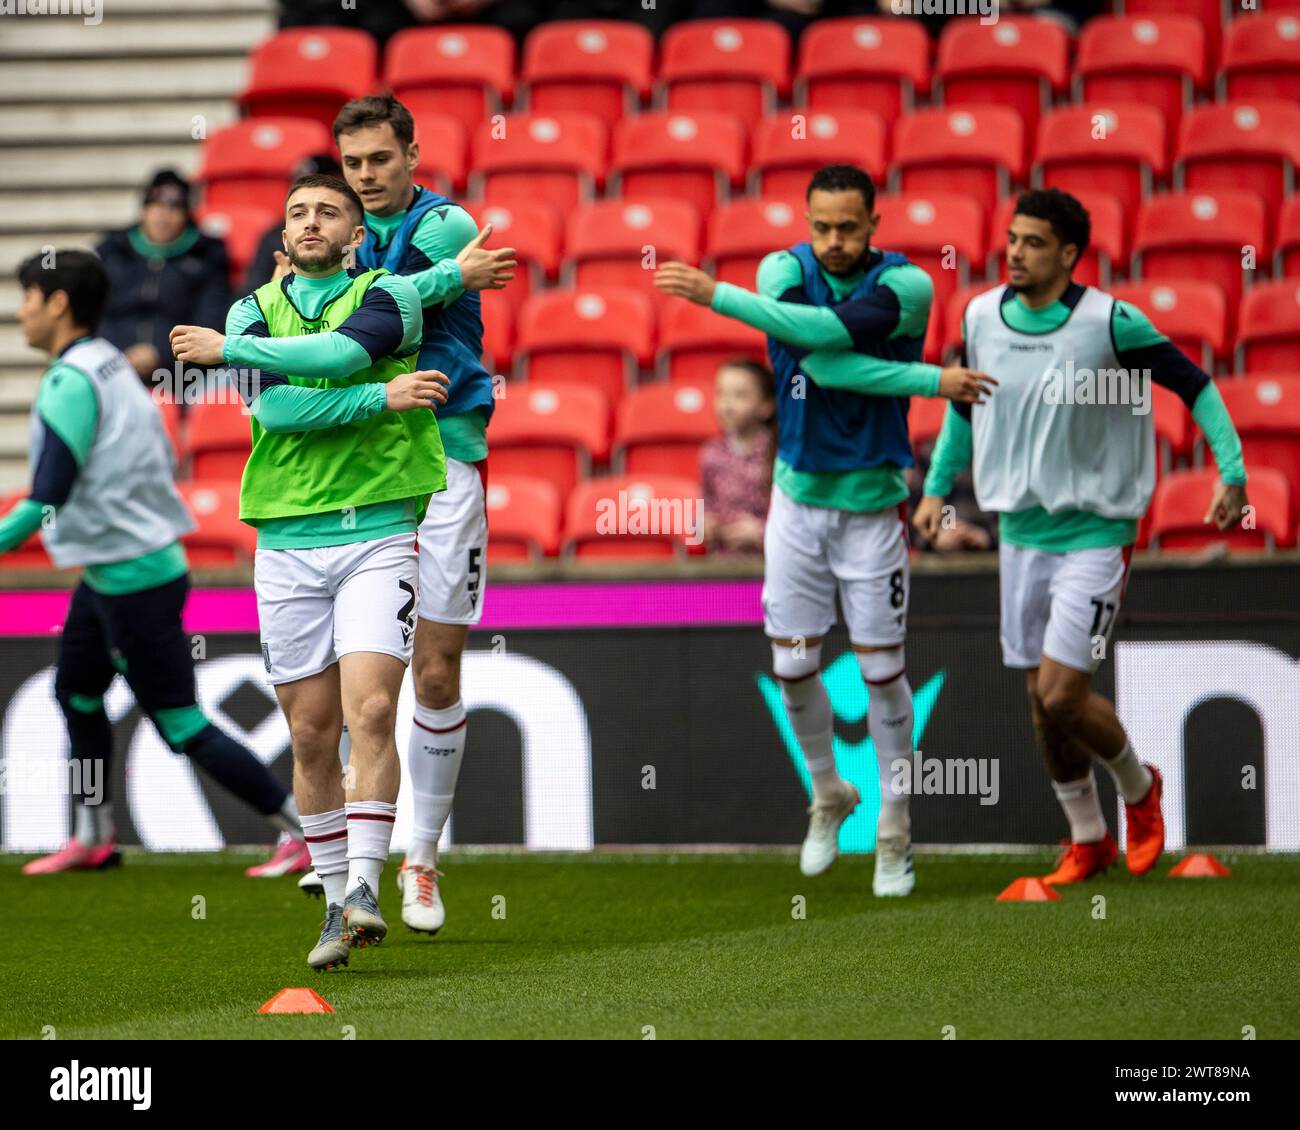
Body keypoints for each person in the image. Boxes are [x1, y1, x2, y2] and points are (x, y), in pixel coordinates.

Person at [655, 164, 994, 896]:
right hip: (797, 507)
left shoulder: (907, 287)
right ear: (807, 224)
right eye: (822, 227)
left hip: (873, 509)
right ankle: (828, 793)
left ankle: (895, 830)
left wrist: (719, 297)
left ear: (874, 224)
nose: (834, 241)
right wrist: (933, 380)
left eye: (848, 227)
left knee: (881, 671)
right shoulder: (783, 268)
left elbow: (830, 350)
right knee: (794, 667)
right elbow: (812, 351)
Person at [914, 188, 1251, 884]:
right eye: (1011, 238)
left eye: (1033, 242)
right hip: (1020, 533)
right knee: (1041, 703)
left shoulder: (1110, 323)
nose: (1015, 251)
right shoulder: (980, 315)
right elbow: (964, 405)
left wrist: (1233, 472)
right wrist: (937, 488)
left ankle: (1139, 787)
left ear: (1069, 254)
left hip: (1096, 531)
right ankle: (1087, 838)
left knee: (1064, 694)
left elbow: (1195, 386)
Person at [170, 173, 451, 970]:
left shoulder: (390, 294)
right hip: (287, 540)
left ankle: (366, 885)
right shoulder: (252, 307)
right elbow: (278, 409)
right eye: (297, 212)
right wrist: (375, 400)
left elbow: (340, 353)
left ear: (356, 233)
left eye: (329, 210)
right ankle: (333, 903)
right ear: (282, 235)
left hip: (379, 529)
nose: (312, 220)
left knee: (370, 709)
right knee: (309, 733)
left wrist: (234, 354)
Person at [3, 250, 308, 878]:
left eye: (28, 296)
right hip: (117, 568)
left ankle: (302, 830)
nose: (21, 311)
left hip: (132, 577)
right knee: (78, 692)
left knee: (179, 721)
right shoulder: (112, 363)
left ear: (58, 304)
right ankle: (94, 836)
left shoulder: (71, 379)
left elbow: (47, 497)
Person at [318, 93, 515, 935]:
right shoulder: (335, 230)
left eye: (379, 160)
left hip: (442, 457)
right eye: (352, 163)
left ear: (411, 154)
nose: (365, 177)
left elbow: (378, 313)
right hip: (363, 462)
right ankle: (350, 861)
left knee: (434, 674)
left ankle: (421, 861)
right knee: (363, 689)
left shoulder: (445, 224)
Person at [96, 170, 229, 385]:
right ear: (144, 210)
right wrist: (121, 354)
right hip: (112, 365)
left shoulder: (208, 256)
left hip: (184, 372)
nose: (163, 216)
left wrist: (161, 353)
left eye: (174, 208)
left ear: (187, 214)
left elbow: (211, 319)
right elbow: (95, 314)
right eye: (156, 206)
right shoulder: (112, 251)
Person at [700, 359, 776, 557]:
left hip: (768, 564)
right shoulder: (711, 453)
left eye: (740, 395)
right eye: (721, 394)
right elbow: (706, 502)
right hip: (724, 567)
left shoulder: (778, 454)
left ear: (767, 405)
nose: (727, 405)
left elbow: (797, 521)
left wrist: (761, 533)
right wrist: (705, 524)